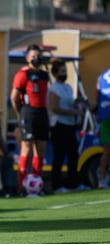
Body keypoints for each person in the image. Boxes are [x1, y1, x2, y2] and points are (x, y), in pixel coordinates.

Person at [10, 44, 49, 194]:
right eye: (33, 56)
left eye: (38, 55)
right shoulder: (22, 74)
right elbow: (14, 97)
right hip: (28, 112)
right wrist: (21, 111)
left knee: (40, 149)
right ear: (27, 58)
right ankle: (21, 187)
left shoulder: (44, 75)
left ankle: (38, 184)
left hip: (42, 113)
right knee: (26, 148)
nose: (36, 58)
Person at [47, 59, 84, 192]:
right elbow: (54, 107)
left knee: (73, 154)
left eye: (65, 70)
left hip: (70, 124)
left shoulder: (68, 87)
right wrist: (72, 112)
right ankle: (57, 185)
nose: (65, 73)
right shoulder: (54, 88)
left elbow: (70, 103)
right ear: (56, 73)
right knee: (60, 155)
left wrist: (77, 106)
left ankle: (73, 182)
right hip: (59, 125)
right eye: (62, 71)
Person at [96, 67, 110, 189]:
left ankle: (101, 180)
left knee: (106, 151)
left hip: (104, 115)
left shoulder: (102, 75)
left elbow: (98, 94)